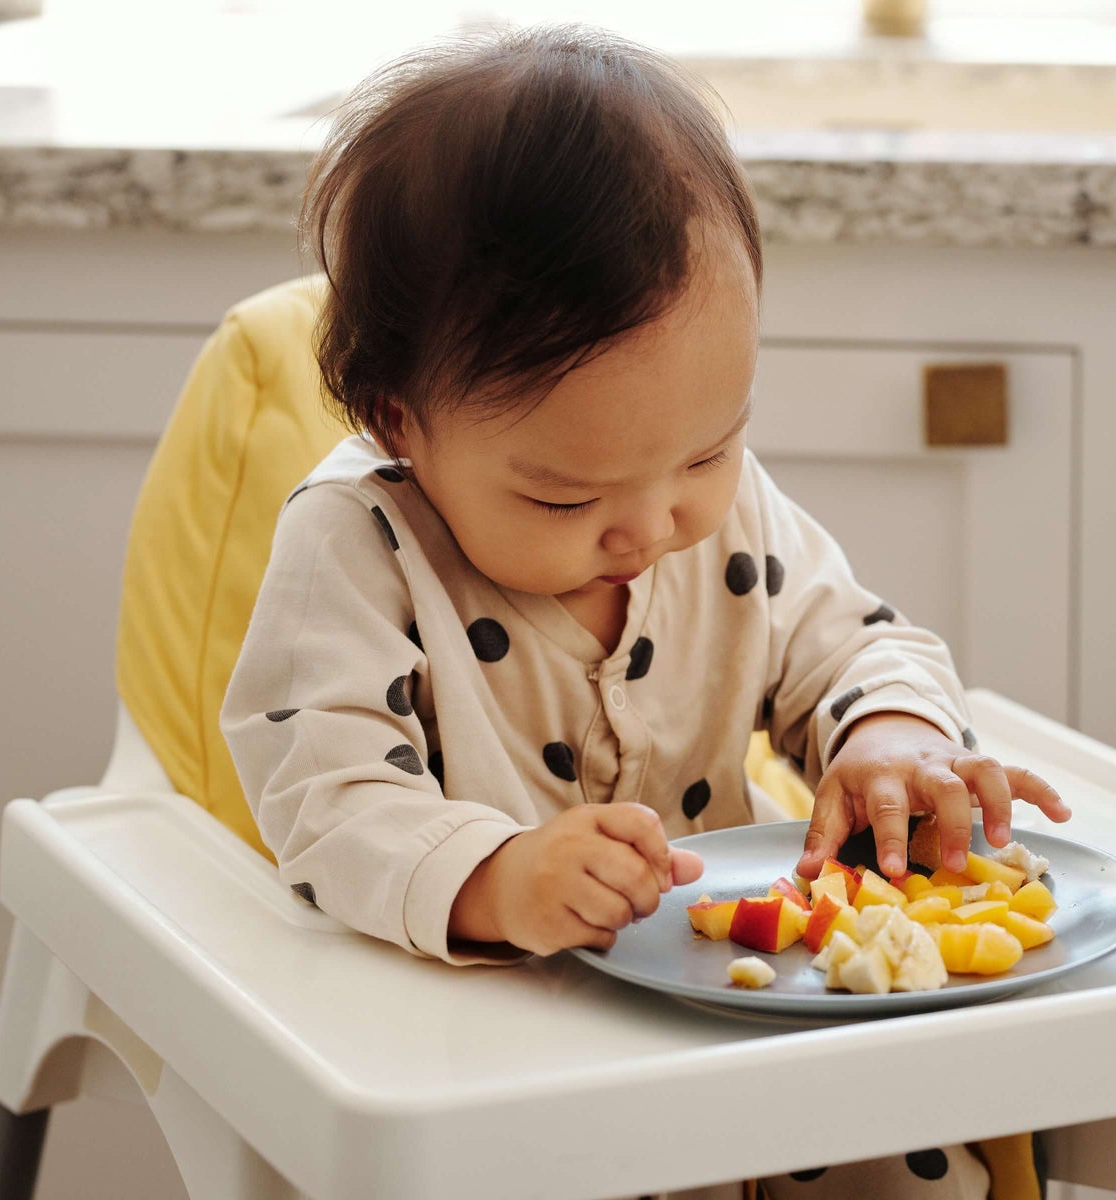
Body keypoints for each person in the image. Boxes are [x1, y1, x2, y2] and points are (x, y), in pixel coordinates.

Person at [220, 23, 1069, 1200]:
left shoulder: (718, 509)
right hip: (507, 1053)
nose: (653, 525)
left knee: (916, 1159)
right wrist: (497, 878)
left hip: (749, 1012)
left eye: (708, 452)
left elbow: (846, 641)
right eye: (566, 494)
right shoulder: (356, 544)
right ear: (398, 421)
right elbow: (323, 793)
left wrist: (892, 736)